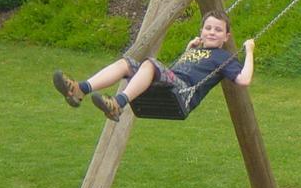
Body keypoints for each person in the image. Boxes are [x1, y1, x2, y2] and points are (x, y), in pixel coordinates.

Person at [52, 11, 255, 122]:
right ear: (201, 31)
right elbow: (184, 67)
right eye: (208, 28)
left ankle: (118, 104)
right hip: (170, 82)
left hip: (182, 92)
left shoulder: (224, 57)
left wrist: (249, 51)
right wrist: (188, 50)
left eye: (218, 30)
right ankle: (81, 89)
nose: (212, 32)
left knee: (149, 64)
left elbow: (244, 80)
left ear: (226, 37)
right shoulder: (196, 49)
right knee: (127, 63)